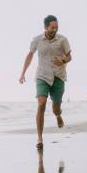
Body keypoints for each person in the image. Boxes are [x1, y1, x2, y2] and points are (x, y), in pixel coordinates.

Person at [19, 15, 72, 149]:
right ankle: (40, 138)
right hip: (42, 75)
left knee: (56, 107)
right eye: (52, 27)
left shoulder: (63, 40)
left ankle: (58, 115)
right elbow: (30, 55)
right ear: (45, 27)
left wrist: (63, 61)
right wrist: (23, 73)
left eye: (56, 27)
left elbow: (69, 56)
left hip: (58, 76)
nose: (54, 29)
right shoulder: (37, 40)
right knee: (41, 104)